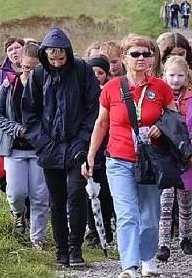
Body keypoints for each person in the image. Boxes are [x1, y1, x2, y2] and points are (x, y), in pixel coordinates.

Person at [82, 35, 176, 278]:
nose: (141, 58)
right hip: (119, 158)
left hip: (151, 160)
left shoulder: (161, 88)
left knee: (150, 216)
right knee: (126, 214)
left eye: (146, 54)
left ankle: (148, 257)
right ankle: (129, 266)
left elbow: (176, 120)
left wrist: (162, 127)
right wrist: (91, 156)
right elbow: (101, 123)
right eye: (135, 54)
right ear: (124, 59)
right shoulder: (113, 88)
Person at [22, 27, 100, 267]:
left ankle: (76, 248)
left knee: (77, 194)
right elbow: (29, 113)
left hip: (77, 147)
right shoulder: (38, 75)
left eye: (60, 58)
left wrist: (83, 142)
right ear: (45, 56)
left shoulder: (81, 71)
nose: (56, 63)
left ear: (67, 53)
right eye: (52, 59)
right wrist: (43, 142)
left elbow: (93, 109)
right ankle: (61, 250)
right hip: (50, 148)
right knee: (56, 200)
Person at [0, 42, 49, 248]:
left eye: (35, 68)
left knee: (40, 196)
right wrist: (17, 129)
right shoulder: (9, 85)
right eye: (26, 67)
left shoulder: (47, 87)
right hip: (14, 148)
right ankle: (18, 213)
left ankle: (38, 239)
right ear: (20, 64)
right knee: (16, 193)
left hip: (39, 149)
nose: (30, 72)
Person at [156, 55, 192, 261]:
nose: (175, 80)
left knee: (185, 201)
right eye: (171, 75)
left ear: (187, 76)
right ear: (164, 75)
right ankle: (163, 242)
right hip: (167, 156)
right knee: (165, 202)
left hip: (187, 157)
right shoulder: (159, 98)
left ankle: (186, 237)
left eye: (180, 75)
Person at [84, 54, 115, 248]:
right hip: (87, 145)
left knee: (105, 192)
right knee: (88, 191)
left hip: (108, 147)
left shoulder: (111, 92)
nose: (96, 76)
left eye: (100, 73)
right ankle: (93, 230)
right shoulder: (82, 92)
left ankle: (106, 227)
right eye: (93, 72)